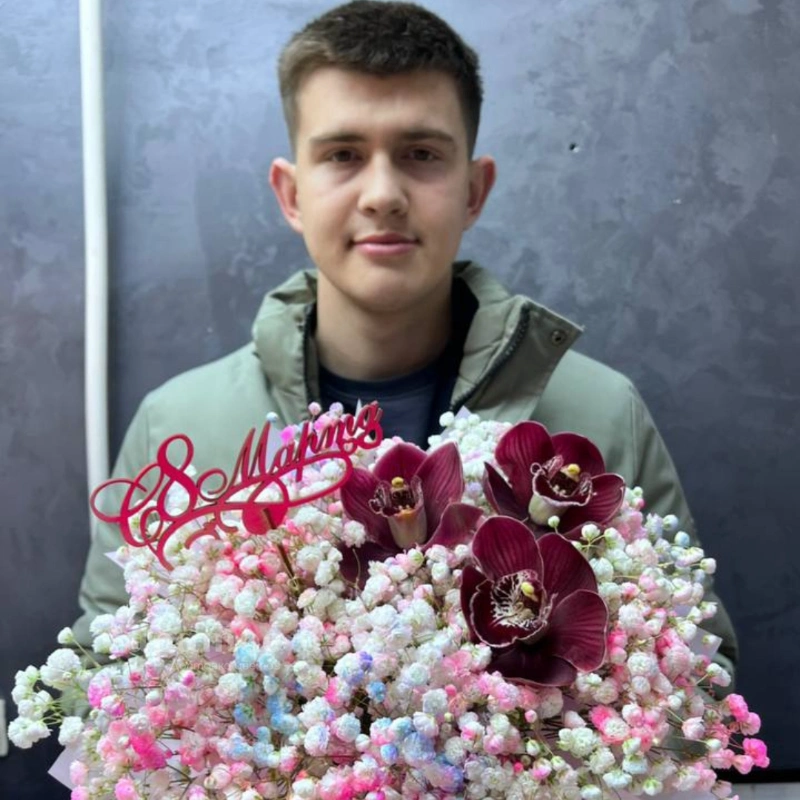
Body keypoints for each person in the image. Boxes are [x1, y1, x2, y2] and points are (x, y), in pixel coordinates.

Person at [73, 0, 737, 678]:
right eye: (343, 155)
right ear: (291, 193)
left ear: (474, 190)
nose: (383, 194)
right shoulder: (178, 427)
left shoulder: (601, 415)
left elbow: (702, 679)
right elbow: (101, 680)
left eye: (421, 154)